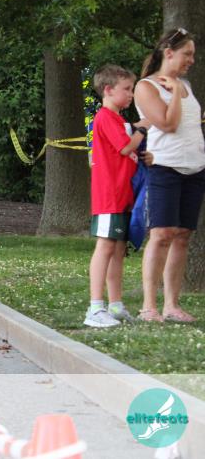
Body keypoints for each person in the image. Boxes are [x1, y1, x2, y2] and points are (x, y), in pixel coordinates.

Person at [134, 28, 205, 323]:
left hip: (195, 168)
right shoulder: (146, 87)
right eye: (187, 54)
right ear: (168, 53)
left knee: (183, 236)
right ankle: (149, 306)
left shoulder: (186, 84)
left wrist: (179, 88)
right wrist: (174, 91)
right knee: (161, 234)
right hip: (165, 168)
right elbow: (168, 124)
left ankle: (172, 305)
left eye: (193, 55)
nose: (191, 60)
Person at [85, 65, 148, 328]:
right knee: (106, 247)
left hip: (123, 195)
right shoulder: (106, 117)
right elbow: (124, 148)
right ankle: (95, 307)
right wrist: (143, 129)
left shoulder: (119, 120)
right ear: (108, 90)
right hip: (108, 196)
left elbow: (129, 151)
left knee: (119, 250)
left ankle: (115, 304)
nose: (131, 94)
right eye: (127, 89)